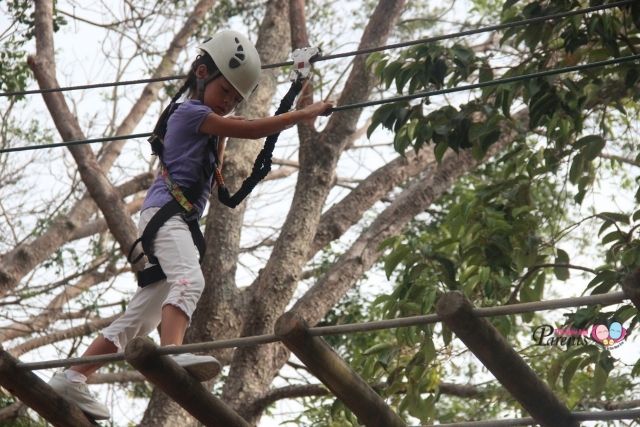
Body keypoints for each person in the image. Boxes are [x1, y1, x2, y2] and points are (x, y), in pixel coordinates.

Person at [48, 30, 333, 420]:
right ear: (202, 73)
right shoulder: (191, 112)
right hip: (166, 215)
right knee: (190, 279)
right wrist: (305, 113)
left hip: (168, 218)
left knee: (144, 316)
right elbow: (253, 128)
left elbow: (232, 138)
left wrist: (296, 84)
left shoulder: (205, 120)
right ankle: (174, 354)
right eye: (225, 91)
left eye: (235, 98)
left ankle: (72, 377)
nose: (229, 102)